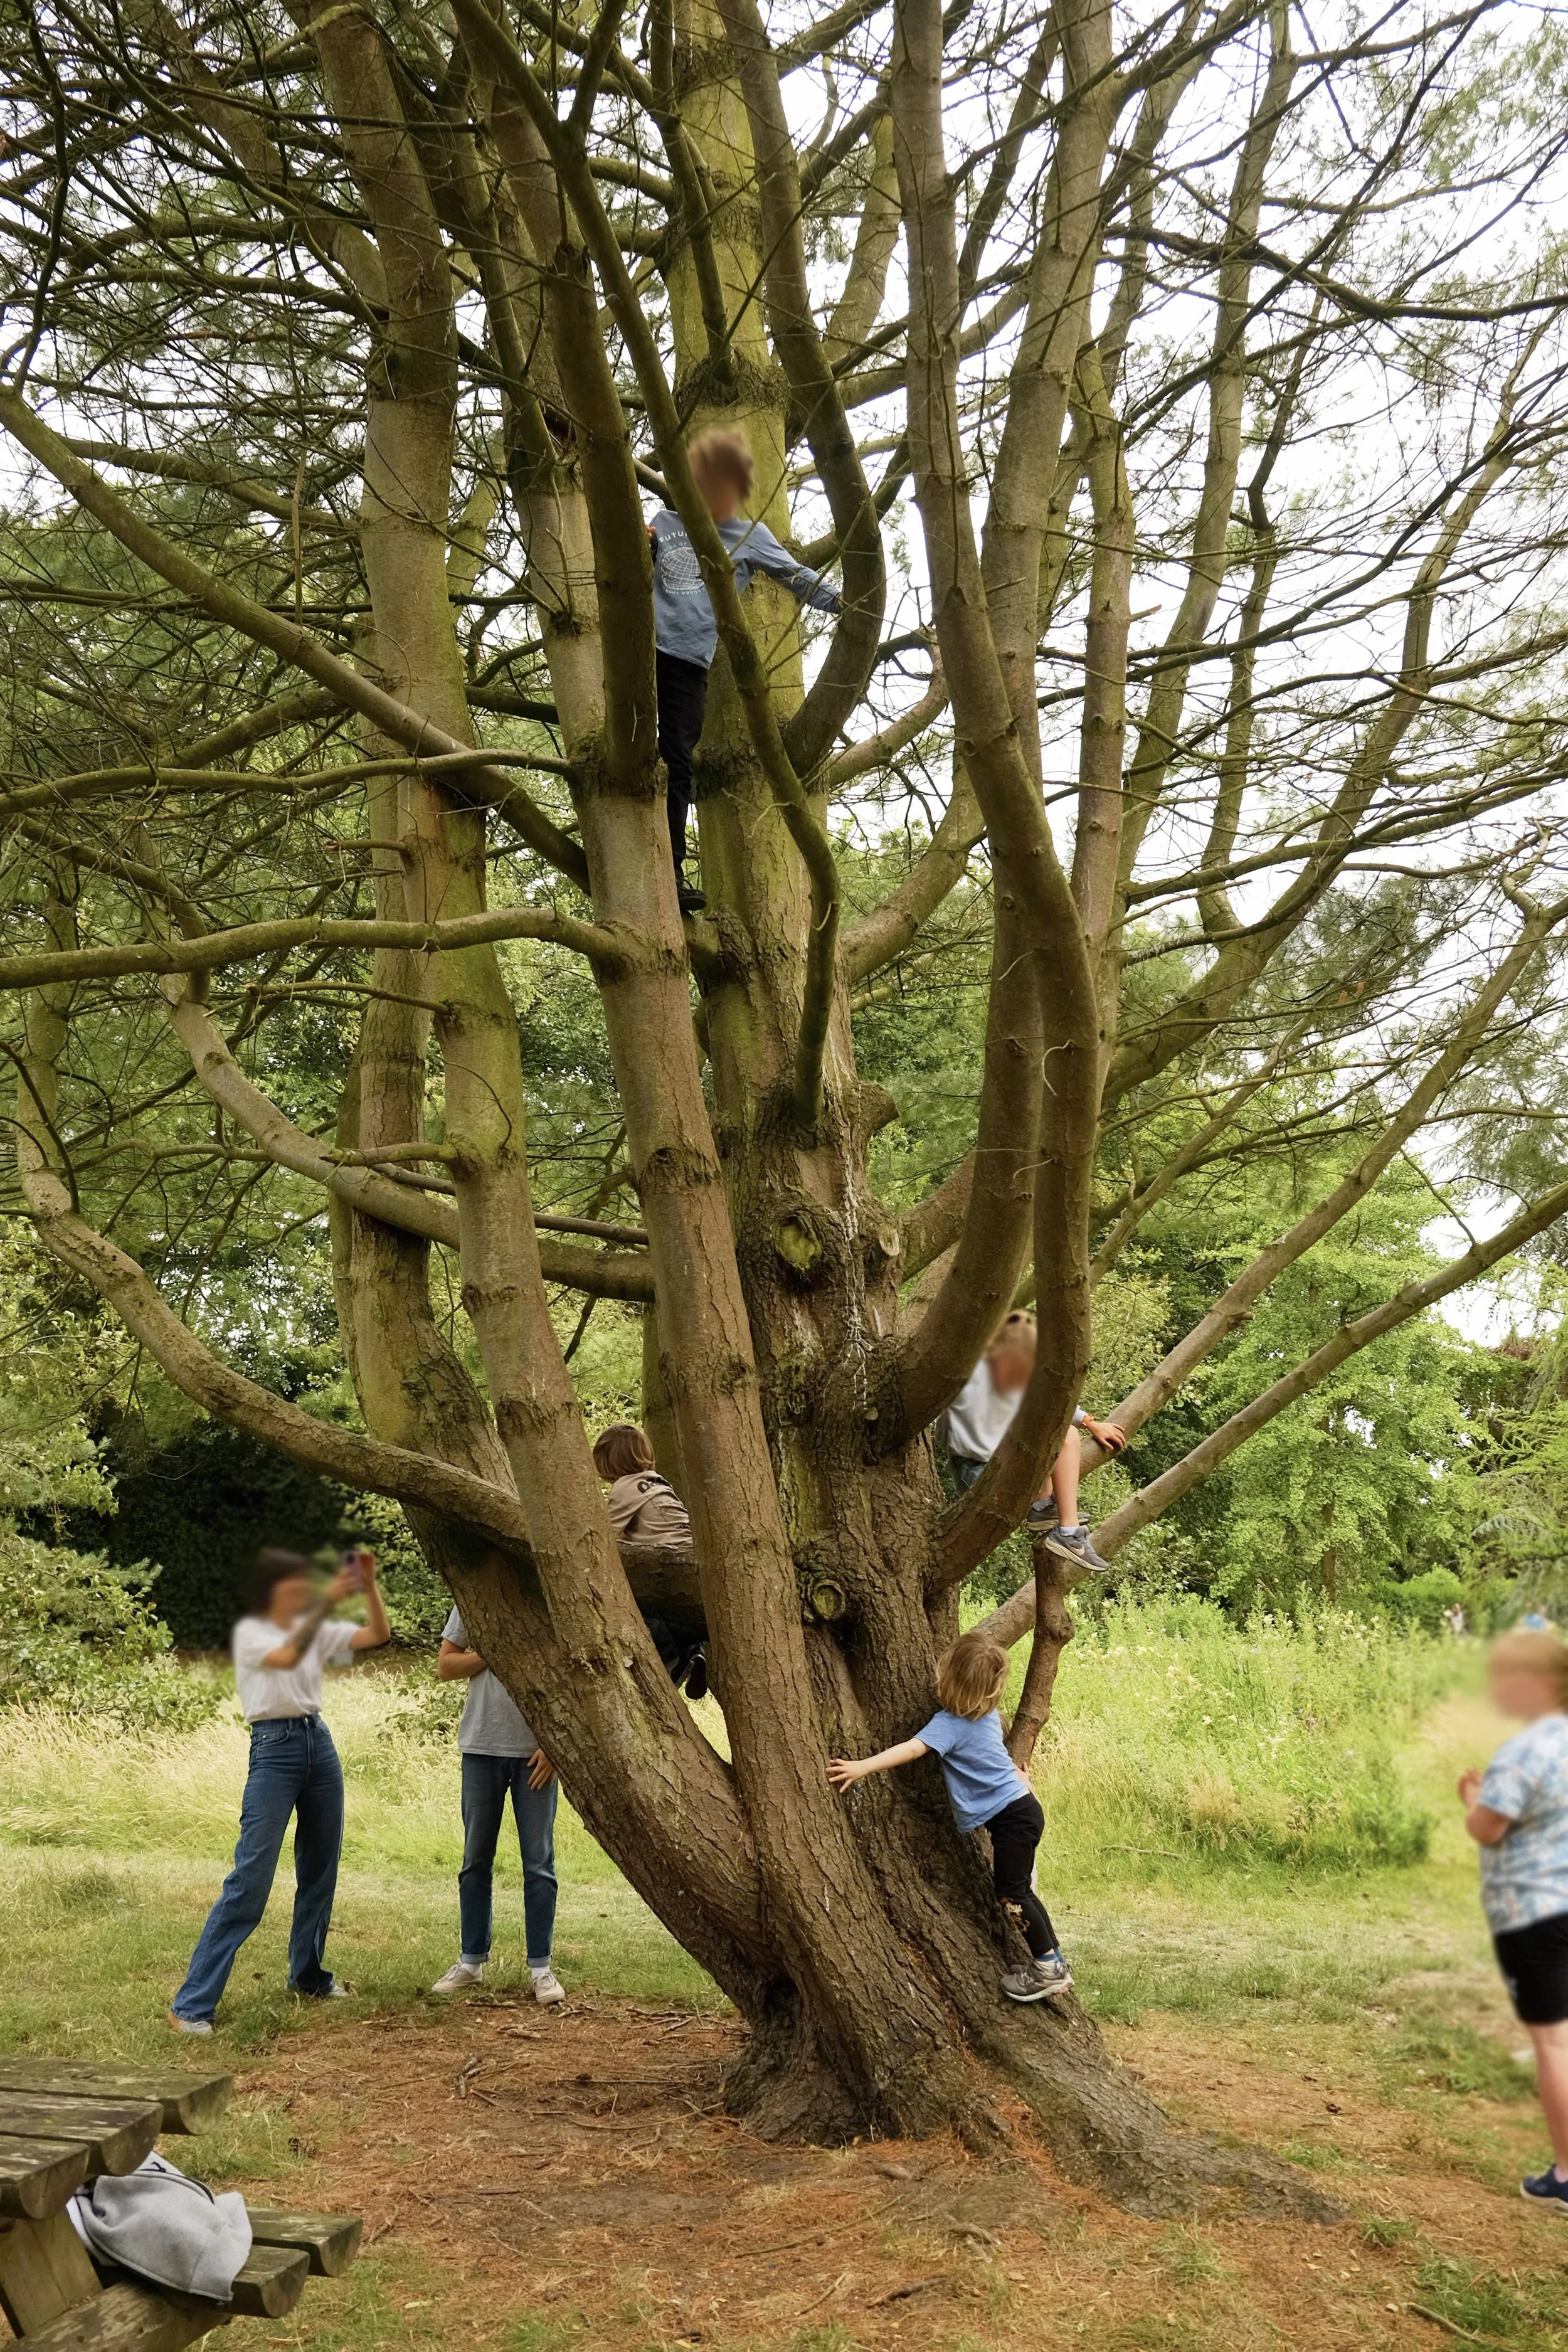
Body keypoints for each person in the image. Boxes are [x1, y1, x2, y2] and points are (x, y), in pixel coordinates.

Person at [169, 1545, 389, 2033]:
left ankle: (307, 1977)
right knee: (252, 1876)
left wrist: (368, 1585)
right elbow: (287, 1656)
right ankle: (191, 2006)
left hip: (319, 1745)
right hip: (274, 1751)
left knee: (320, 1869)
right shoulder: (252, 1632)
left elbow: (378, 1634)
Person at [650, 428, 842, 914]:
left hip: (686, 662)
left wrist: (851, 604)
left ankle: (668, 873)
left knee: (677, 764)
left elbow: (797, 576)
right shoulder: (665, 521)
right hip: (637, 649)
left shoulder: (750, 536)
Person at [827, 1629, 1071, 2005]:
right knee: (1019, 1889)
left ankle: (1050, 1968)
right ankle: (1050, 1962)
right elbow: (992, 1758)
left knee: (1012, 1893)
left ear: (950, 1679)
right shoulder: (987, 1716)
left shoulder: (951, 1724)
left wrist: (862, 1767)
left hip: (1012, 1817)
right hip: (1022, 1807)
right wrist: (1018, 1777)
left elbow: (911, 1750)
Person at [1458, 1630, 1568, 2208]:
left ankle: (1567, 2177)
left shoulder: (1524, 1753)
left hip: (1535, 1913)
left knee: (1553, 2043)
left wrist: (1473, 1797)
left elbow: (1488, 1828)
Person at [430, 1609, 565, 2005]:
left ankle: (541, 1969)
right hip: (481, 1747)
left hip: (535, 1756)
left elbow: (572, 1680)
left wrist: (556, 1745)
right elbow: (446, 1666)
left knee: (539, 1863)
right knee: (475, 1860)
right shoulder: (475, 1599)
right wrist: (494, 1654)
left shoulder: (552, 1599)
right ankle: (471, 1962)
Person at [945, 1309, 1127, 1573]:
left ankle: (1045, 1507)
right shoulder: (979, 1379)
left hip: (989, 1466)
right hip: (976, 1474)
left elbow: (1040, 1399)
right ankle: (1068, 1532)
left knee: (1058, 1433)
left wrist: (1090, 1422)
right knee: (1062, 1435)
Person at [593, 1422, 707, 1699]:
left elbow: (604, 1538)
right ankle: (693, 1650)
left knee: (636, 1603)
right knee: (670, 1609)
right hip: (690, 1556)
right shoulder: (656, 1481)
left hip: (667, 1562)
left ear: (608, 1462)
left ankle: (670, 1655)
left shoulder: (624, 1488)